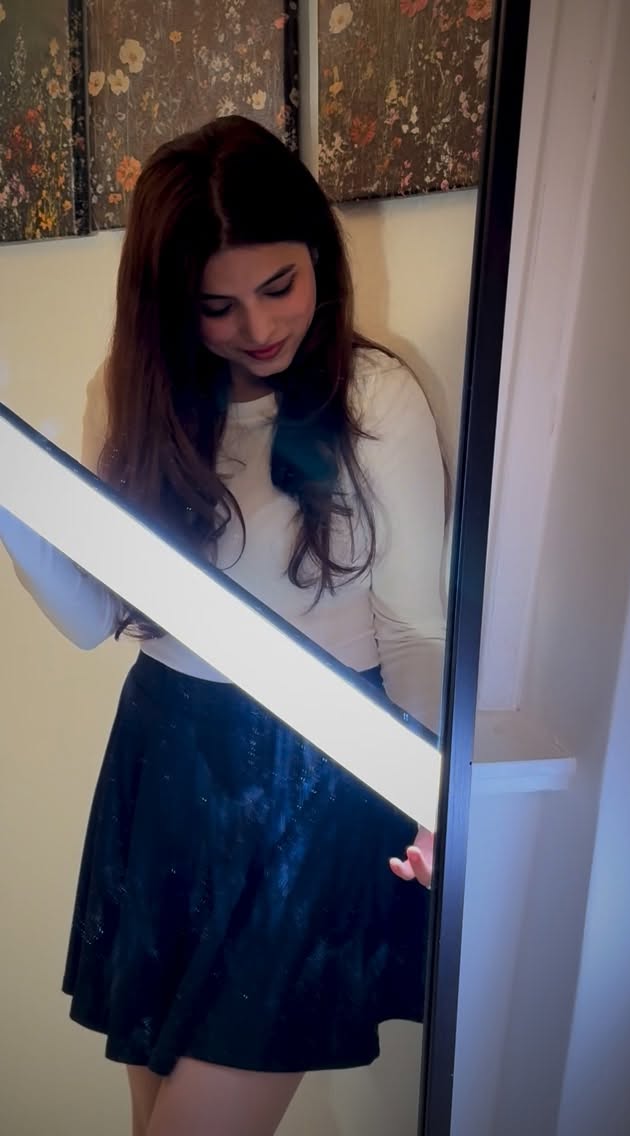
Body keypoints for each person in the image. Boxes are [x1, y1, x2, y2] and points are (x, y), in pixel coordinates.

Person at [0, 116, 445, 1136]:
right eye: (216, 305)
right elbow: (93, 617)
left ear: (318, 256)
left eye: (279, 286)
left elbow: (416, 633)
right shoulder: (134, 398)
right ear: (169, 304)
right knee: (153, 1115)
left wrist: (428, 796)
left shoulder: (374, 399)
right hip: (165, 758)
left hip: (315, 782)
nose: (257, 326)